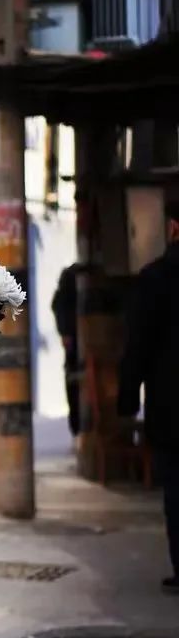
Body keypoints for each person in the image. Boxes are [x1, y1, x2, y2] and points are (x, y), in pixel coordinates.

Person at [118, 200, 179, 593]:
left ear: (173, 228)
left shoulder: (156, 278)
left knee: (176, 491)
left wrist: (126, 403)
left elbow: (137, 347)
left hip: (171, 408)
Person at [52, 263, 86, 437]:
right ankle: (78, 427)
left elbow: (57, 305)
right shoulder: (74, 278)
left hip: (74, 343)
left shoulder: (70, 278)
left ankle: (77, 428)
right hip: (77, 343)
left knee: (74, 382)